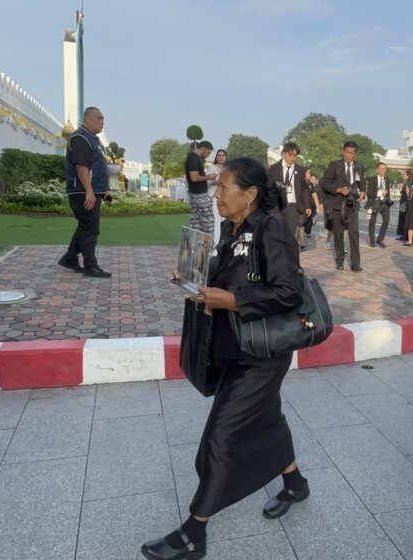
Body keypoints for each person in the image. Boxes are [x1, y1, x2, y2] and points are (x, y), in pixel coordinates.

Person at [142, 158, 306, 560]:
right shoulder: (232, 229)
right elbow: (228, 277)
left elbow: (289, 292)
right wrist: (197, 282)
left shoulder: (272, 228)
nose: (216, 194)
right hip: (234, 346)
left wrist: (230, 299)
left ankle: (194, 532)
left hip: (262, 355)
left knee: (221, 436)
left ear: (249, 194)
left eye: (225, 188)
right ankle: (296, 484)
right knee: (269, 419)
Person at [59, 106, 112, 278]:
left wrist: (103, 191)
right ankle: (91, 266)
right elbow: (81, 166)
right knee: (90, 228)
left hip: (91, 190)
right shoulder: (80, 138)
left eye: (103, 118)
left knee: (85, 226)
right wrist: (89, 191)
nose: (102, 122)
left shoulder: (93, 139)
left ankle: (69, 259)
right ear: (87, 119)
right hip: (81, 191)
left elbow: (97, 167)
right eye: (99, 118)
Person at [321, 141, 365, 272]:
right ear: (343, 151)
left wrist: (363, 191)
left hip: (352, 205)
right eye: (347, 152)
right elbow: (325, 183)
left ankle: (355, 263)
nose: (349, 155)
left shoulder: (358, 166)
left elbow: (362, 183)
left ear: (355, 154)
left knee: (354, 234)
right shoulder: (335, 165)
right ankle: (339, 260)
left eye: (352, 153)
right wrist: (338, 189)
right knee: (338, 233)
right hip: (337, 205)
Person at [268, 142, 311, 248]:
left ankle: (287, 258)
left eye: (295, 155)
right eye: (290, 154)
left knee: (290, 234)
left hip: (293, 206)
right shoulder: (274, 168)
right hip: (277, 206)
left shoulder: (300, 170)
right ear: (284, 154)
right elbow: (269, 186)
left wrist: (308, 205)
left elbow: (304, 189)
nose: (292, 157)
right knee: (277, 232)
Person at [186, 140, 216, 236]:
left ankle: (193, 246)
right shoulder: (193, 159)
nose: (208, 155)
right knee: (209, 222)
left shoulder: (192, 157)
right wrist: (209, 177)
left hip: (195, 193)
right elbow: (194, 178)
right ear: (203, 149)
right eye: (208, 153)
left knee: (196, 223)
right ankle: (208, 247)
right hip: (199, 195)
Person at [366, 162, 392, 248]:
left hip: (385, 203)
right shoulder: (372, 179)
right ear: (377, 170)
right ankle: (372, 241)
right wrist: (380, 193)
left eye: (384, 169)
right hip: (375, 202)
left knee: (386, 221)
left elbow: (388, 191)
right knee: (372, 222)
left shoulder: (387, 179)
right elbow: (369, 193)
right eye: (381, 168)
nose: (383, 170)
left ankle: (380, 239)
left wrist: (389, 200)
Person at [205, 149, 227, 242]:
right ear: (216, 157)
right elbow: (208, 182)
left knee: (226, 220)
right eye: (219, 155)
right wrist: (218, 181)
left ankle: (224, 243)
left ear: (226, 157)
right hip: (214, 196)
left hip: (227, 197)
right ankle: (216, 245)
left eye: (223, 155)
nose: (221, 157)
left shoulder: (229, 168)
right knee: (216, 221)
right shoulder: (212, 168)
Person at [303, 170, 320, 238]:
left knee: (310, 220)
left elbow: (316, 196)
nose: (309, 175)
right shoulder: (302, 183)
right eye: (308, 173)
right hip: (303, 205)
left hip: (312, 205)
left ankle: (307, 232)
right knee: (304, 220)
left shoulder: (312, 185)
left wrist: (318, 206)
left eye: (314, 179)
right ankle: (303, 232)